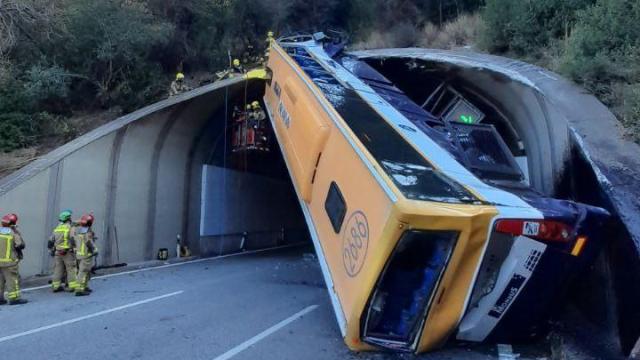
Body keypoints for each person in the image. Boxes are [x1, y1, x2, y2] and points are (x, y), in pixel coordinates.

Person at [0, 213, 27, 305]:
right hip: (9, 262)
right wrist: (16, 231)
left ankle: (0, 299)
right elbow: (21, 245)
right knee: (13, 280)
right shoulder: (13, 233)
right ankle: (14, 298)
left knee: (0, 280)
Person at [48, 210, 78, 292]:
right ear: (68, 219)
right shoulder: (70, 228)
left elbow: (50, 241)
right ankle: (73, 286)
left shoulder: (57, 228)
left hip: (58, 251)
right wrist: (75, 247)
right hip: (67, 252)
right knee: (71, 269)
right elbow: (72, 238)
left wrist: (51, 249)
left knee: (58, 269)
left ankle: (55, 286)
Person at [74, 214, 97, 296]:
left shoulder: (78, 230)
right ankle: (79, 289)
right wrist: (94, 250)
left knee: (86, 271)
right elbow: (88, 243)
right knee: (83, 272)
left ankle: (85, 286)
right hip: (86, 255)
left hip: (79, 254)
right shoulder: (87, 232)